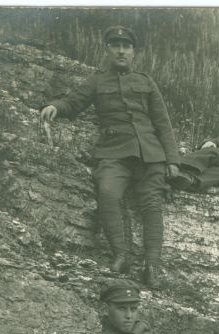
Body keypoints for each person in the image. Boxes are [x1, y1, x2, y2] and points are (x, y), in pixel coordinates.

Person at [40, 26, 181, 287]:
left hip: (149, 154)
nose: (121, 50)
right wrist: (55, 107)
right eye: (115, 45)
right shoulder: (97, 80)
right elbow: (74, 101)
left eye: (126, 46)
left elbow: (163, 123)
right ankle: (121, 256)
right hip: (114, 153)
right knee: (107, 192)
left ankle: (152, 267)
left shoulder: (146, 81)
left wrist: (172, 160)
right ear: (107, 49)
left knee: (152, 205)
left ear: (133, 52)